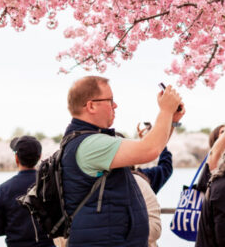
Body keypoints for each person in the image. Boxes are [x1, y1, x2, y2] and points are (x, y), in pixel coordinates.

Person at [60, 75, 184, 247]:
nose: (115, 105)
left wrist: (171, 121)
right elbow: (149, 150)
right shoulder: (90, 144)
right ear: (91, 105)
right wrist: (165, 111)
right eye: (110, 100)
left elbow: (150, 149)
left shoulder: (87, 140)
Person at [0, 135, 54, 247]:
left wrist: (16, 228)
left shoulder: (4, 189)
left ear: (16, 158)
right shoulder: (50, 184)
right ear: (40, 157)